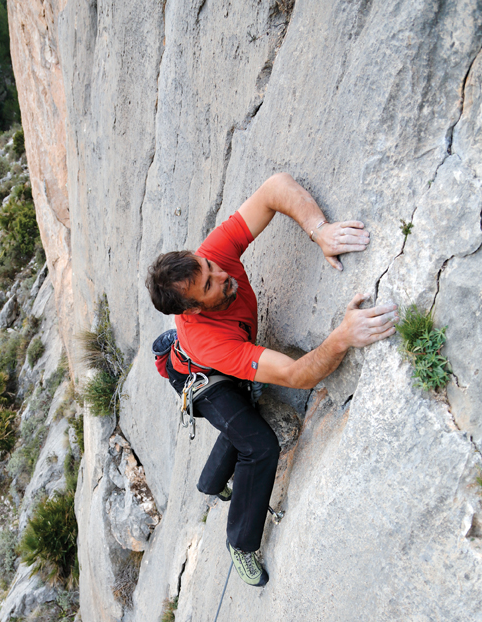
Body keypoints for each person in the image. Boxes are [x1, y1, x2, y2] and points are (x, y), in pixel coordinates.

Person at [146, 173, 398, 587]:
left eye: (209, 266)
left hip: (217, 356)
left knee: (244, 413)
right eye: (209, 285)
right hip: (202, 378)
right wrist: (341, 338)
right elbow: (299, 375)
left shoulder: (213, 257)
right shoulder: (210, 341)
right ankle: (241, 543)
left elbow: (275, 188)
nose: (221, 274)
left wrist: (320, 231)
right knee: (258, 443)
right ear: (191, 311)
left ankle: (211, 483)